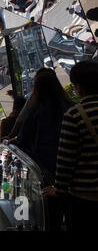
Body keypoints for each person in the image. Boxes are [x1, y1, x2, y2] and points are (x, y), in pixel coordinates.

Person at [44, 61, 98, 231]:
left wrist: (58, 189)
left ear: (79, 87)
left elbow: (66, 159)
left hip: (85, 197)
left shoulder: (75, 115)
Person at [14, 68, 74, 175]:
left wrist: (13, 138)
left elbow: (23, 139)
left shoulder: (37, 110)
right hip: (72, 165)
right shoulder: (72, 108)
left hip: (45, 167)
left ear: (37, 88)